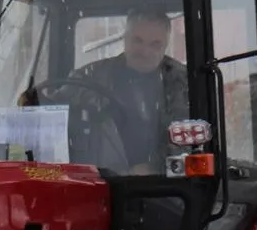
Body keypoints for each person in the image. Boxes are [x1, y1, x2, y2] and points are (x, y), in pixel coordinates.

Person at [31, 10, 190, 173]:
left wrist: (155, 167)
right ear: (125, 38)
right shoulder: (88, 78)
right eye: (137, 41)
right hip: (99, 181)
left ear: (165, 45)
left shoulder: (185, 83)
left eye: (155, 44)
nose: (145, 51)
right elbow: (53, 116)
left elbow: (193, 140)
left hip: (167, 188)